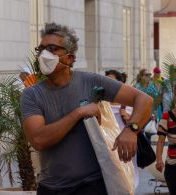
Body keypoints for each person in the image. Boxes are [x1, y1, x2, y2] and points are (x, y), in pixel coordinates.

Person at [20, 23, 153, 194]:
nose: (44, 54)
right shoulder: (32, 95)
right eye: (41, 49)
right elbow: (38, 140)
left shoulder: (90, 81)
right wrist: (78, 113)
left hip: (92, 185)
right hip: (52, 187)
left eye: (52, 48)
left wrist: (131, 130)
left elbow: (144, 99)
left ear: (69, 58)